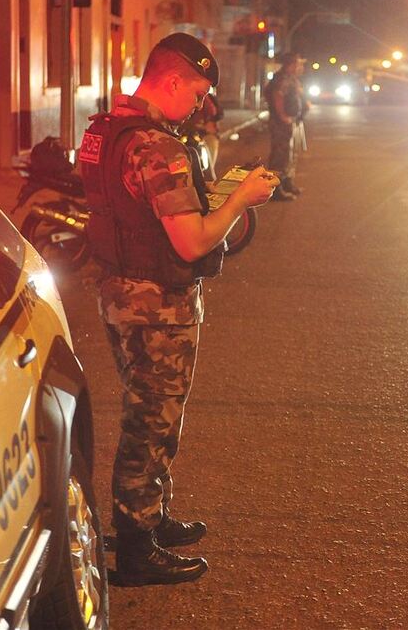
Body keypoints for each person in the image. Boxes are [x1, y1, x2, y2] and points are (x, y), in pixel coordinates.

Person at [78, 33, 278, 586]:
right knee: (153, 419)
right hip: (157, 306)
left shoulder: (104, 130)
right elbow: (191, 243)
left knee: (150, 410)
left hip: (121, 295)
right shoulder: (156, 146)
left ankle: (150, 518)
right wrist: (240, 200)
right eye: (195, 95)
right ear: (170, 82)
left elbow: (134, 211)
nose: (200, 107)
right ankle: (137, 549)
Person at [265, 51, 308, 200]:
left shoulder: (291, 78)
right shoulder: (282, 78)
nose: (300, 66)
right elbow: (278, 96)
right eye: (297, 63)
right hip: (281, 123)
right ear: (291, 64)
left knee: (289, 155)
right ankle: (275, 190)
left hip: (291, 120)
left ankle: (287, 182)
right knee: (280, 156)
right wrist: (283, 116)